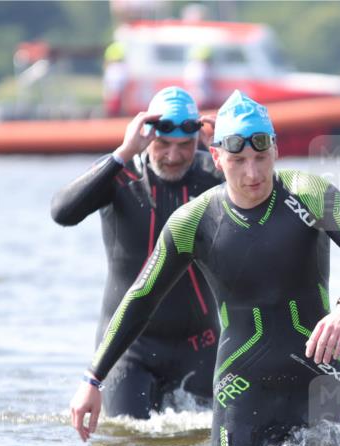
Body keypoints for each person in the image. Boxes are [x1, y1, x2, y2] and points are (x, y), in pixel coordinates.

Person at [69, 90, 340, 446]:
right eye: (239, 160)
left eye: (261, 158)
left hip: (319, 379)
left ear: (275, 148)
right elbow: (139, 300)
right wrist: (93, 380)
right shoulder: (194, 221)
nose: (253, 174)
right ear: (217, 156)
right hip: (239, 389)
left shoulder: (308, 193)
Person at [52, 87, 223, 419]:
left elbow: (273, 203)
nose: (173, 156)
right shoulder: (121, 176)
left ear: (198, 140)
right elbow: (62, 212)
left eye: (184, 146)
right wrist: (122, 152)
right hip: (129, 350)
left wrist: (226, 151)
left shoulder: (215, 175)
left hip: (200, 346)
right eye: (163, 144)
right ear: (146, 137)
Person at [102, 41, 129, 117]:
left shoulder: (111, 48)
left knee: (111, 92)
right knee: (118, 93)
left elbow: (107, 60)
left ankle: (111, 111)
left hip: (113, 68)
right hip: (120, 68)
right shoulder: (122, 47)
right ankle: (116, 110)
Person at [184, 44, 215, 110]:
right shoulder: (200, 67)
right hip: (199, 94)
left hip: (199, 94)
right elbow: (197, 82)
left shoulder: (192, 66)